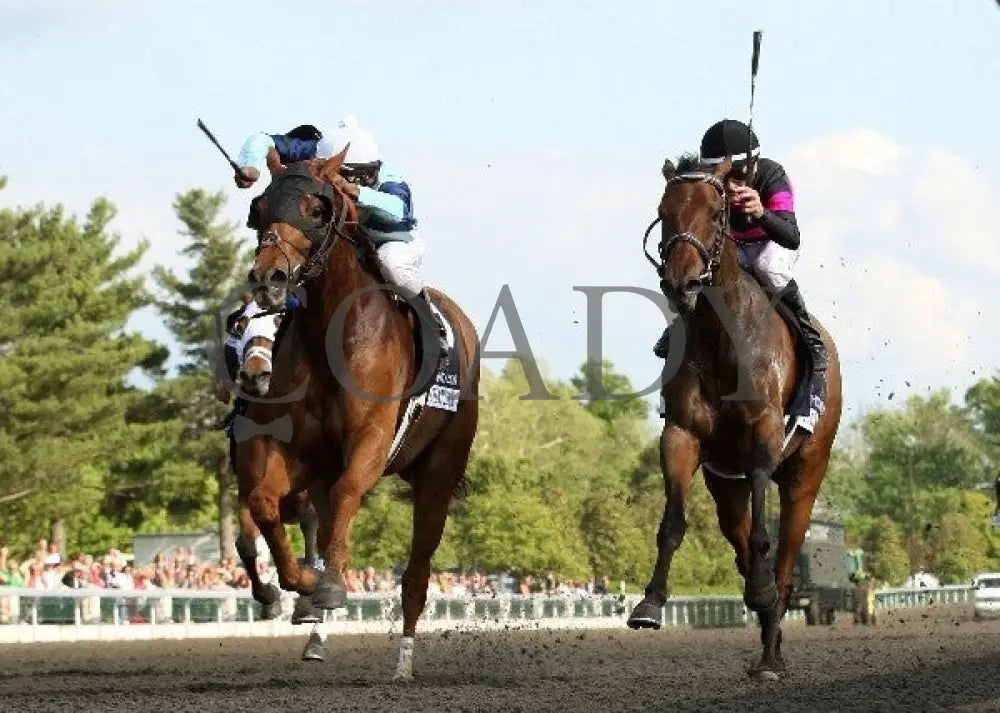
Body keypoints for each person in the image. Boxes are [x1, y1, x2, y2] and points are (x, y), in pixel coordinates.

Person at [653, 118, 829, 418]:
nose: (731, 183)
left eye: (738, 174)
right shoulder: (707, 184)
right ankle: (679, 333)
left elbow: (791, 236)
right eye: (724, 175)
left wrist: (761, 213)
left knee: (767, 267)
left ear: (754, 164)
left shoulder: (773, 177)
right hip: (730, 249)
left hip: (769, 242)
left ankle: (809, 337)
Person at [233, 115, 448, 355]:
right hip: (340, 234)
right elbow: (260, 140)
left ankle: (430, 323)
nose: (360, 181)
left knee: (392, 264)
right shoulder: (313, 152)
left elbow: (399, 211)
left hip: (389, 238)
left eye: (365, 176)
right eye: (347, 177)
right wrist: (249, 165)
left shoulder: (390, 178)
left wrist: (356, 191)